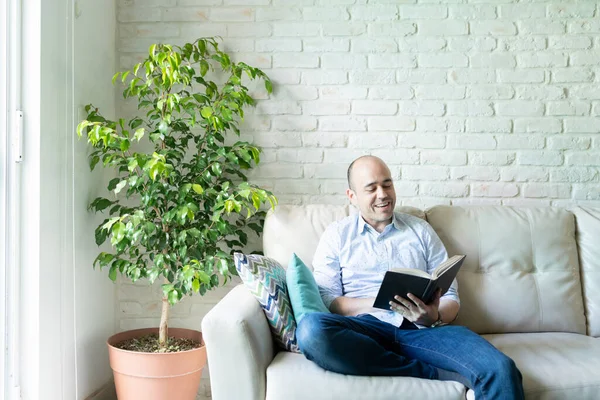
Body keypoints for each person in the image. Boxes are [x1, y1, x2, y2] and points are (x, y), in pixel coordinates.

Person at [295, 155, 524, 400]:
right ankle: (428, 371)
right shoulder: (337, 235)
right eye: (371, 188)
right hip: (365, 330)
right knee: (311, 331)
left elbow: (451, 298)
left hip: (423, 330)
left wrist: (432, 315)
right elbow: (329, 299)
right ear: (352, 196)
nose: (383, 194)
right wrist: (382, 301)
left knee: (501, 369)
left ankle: (421, 361)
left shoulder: (420, 230)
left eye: (387, 184)